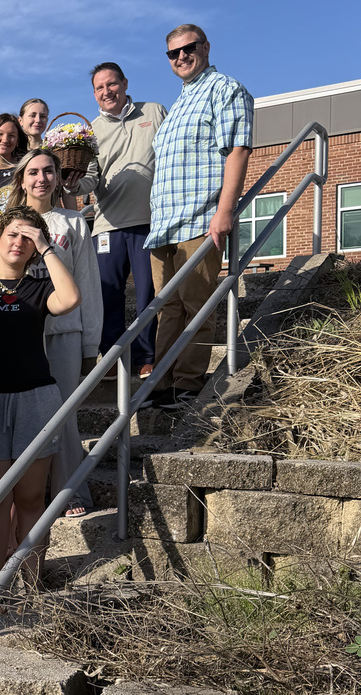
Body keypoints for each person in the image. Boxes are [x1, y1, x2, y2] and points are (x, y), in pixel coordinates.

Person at [0, 208, 81, 591]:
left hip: (35, 399)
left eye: (27, 237)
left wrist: (46, 248)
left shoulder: (40, 288)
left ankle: (31, 584)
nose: (18, 242)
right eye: (12, 233)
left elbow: (71, 298)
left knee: (29, 499)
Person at [144, 23, 253, 409]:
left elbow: (237, 150)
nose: (181, 57)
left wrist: (225, 211)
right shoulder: (178, 104)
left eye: (188, 48)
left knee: (196, 305)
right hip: (164, 225)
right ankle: (162, 382)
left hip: (199, 218)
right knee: (165, 309)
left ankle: (188, 384)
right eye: (173, 53)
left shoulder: (224, 89)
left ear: (205, 47)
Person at [7, 149, 103, 518]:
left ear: (59, 177)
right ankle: (23, 491)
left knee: (64, 413)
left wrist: (90, 341)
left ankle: (70, 491)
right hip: (21, 334)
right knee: (22, 414)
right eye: (33, 172)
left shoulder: (73, 222)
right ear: (22, 179)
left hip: (65, 332)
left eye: (49, 171)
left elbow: (87, 285)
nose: (41, 178)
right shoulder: (8, 224)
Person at [67, 63, 167, 379]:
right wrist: (71, 182)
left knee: (147, 295)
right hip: (108, 225)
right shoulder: (91, 131)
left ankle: (144, 357)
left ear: (124, 83)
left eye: (112, 84)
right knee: (107, 295)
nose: (107, 91)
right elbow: (90, 179)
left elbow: (168, 155)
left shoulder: (153, 111)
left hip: (149, 222)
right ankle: (111, 358)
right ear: (94, 93)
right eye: (100, 88)